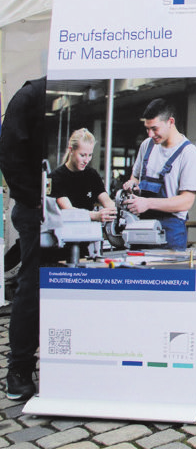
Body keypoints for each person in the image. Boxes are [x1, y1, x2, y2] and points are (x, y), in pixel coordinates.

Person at [0, 76, 46, 401]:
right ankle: (19, 368)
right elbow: (10, 154)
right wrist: (34, 200)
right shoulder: (32, 94)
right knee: (33, 285)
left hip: (70, 213)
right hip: (35, 211)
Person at [122, 98, 196, 250]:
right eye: (147, 129)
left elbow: (186, 201)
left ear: (170, 122)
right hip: (141, 228)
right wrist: (133, 184)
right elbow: (136, 177)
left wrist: (147, 203)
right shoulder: (147, 145)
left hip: (170, 234)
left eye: (155, 129)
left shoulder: (189, 153)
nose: (150, 134)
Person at [51, 128, 117, 223]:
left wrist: (114, 211)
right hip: (65, 231)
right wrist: (95, 215)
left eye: (90, 155)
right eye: (82, 155)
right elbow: (68, 210)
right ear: (71, 150)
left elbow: (107, 201)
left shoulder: (92, 175)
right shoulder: (56, 177)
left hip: (89, 232)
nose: (86, 160)